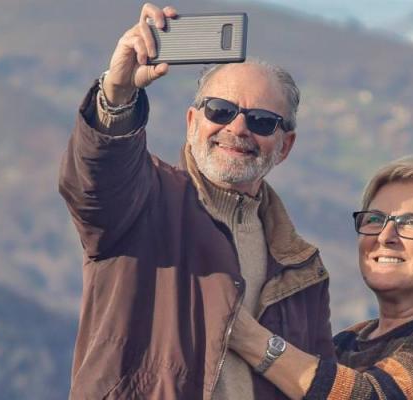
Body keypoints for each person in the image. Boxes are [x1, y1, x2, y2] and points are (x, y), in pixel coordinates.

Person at [58, 4, 333, 399]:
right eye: (220, 111)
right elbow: (94, 179)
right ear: (192, 123)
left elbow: (317, 386)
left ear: (285, 146)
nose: (237, 128)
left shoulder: (303, 268)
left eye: (261, 121)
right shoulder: (141, 202)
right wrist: (117, 93)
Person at [228, 156, 413, 399]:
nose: (385, 236)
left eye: (410, 223)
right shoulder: (345, 343)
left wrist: (244, 334)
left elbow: (371, 395)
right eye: (374, 220)